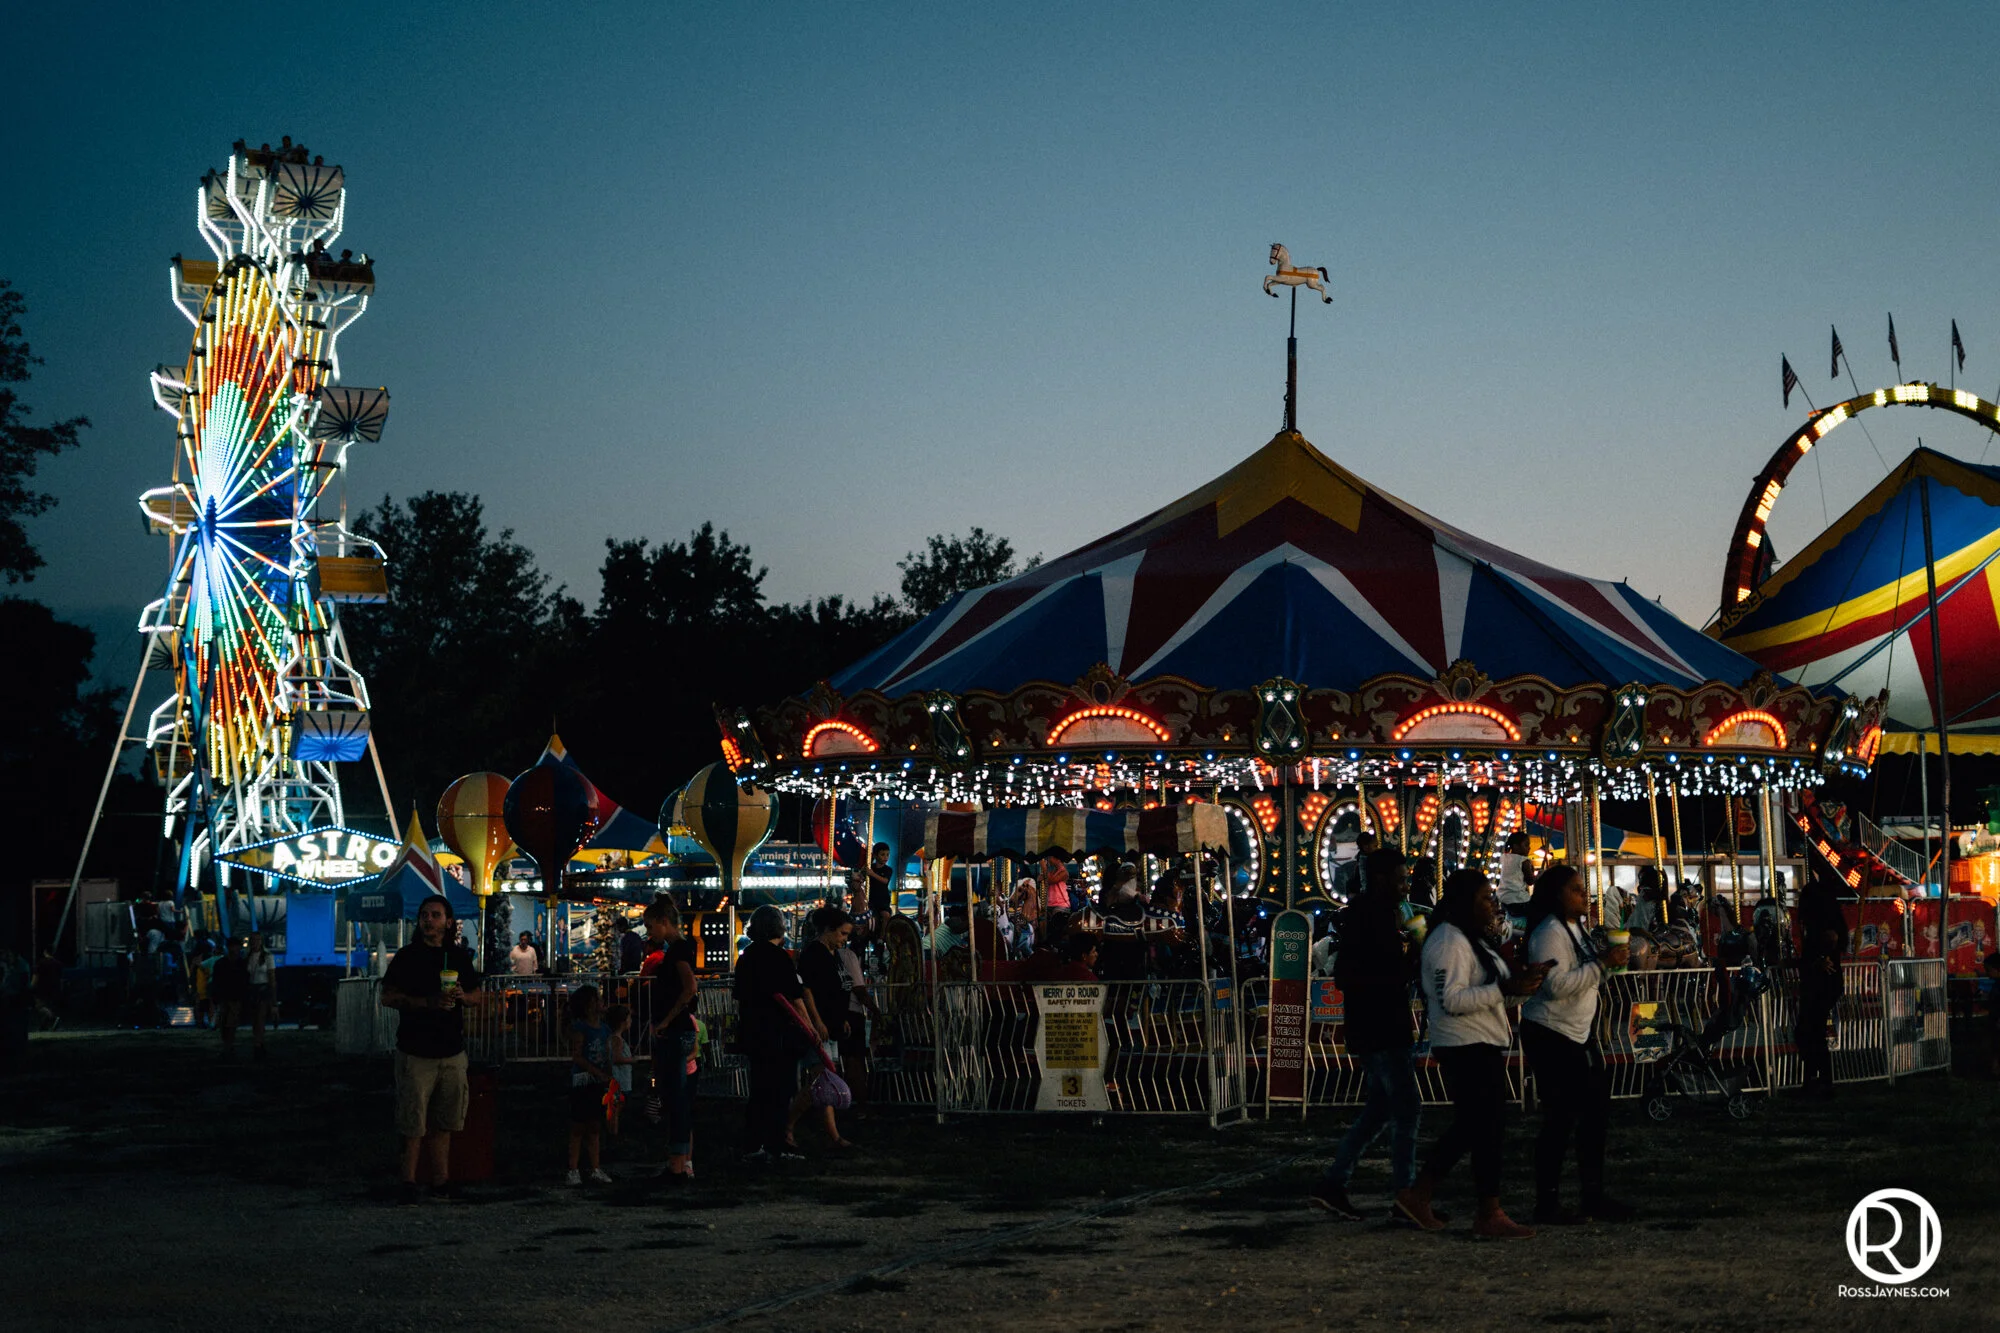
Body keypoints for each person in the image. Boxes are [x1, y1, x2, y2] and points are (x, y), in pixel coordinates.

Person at [1400, 868, 1552, 1239]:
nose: (1493, 905)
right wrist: (1505, 989)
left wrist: (1524, 985)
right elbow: (1450, 999)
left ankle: (1423, 1195)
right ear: (1466, 902)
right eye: (1486, 898)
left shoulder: (1473, 941)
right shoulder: (1448, 942)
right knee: (1483, 1127)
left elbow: (1493, 992)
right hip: (1463, 1044)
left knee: (1477, 1127)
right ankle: (1486, 1210)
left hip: (1481, 1041)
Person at [1311, 848, 1425, 1222]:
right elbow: (1365, 974)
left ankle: (1335, 1182)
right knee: (1407, 1108)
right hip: (1382, 1026)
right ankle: (1405, 1192)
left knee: (1378, 1111)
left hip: (1376, 1024)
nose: (1406, 886)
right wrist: (1411, 957)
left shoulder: (1372, 914)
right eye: (1401, 879)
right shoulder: (1371, 916)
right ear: (1381, 879)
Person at [1519, 864, 1634, 1224]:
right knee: (1561, 1117)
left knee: (1595, 1114)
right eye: (1576, 890)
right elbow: (1554, 986)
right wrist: (1601, 965)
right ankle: (1548, 1201)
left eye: (1584, 889)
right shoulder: (1549, 934)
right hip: (1552, 1033)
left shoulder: (1576, 929)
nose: (1584, 895)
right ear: (1557, 895)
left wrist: (1609, 965)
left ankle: (1592, 1194)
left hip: (1578, 1033)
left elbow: (1583, 976)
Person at [379, 894, 484, 1202]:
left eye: (436, 915)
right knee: (413, 1121)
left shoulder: (458, 957)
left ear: (448, 922)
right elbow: (387, 997)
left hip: (451, 1051)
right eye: (425, 915)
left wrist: (463, 997)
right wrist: (426, 1003)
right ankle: (408, 1182)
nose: (429, 920)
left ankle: (440, 1181)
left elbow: (479, 996)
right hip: (416, 1050)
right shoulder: (407, 957)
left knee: (445, 1121)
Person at [734, 904, 808, 1163]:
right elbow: (795, 997)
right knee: (781, 1090)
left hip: (754, 1030)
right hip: (779, 1032)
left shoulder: (746, 958)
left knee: (759, 1090)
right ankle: (777, 1143)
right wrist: (809, 1027)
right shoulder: (779, 958)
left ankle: (753, 1143)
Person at [643, 898, 700, 1178]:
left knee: (675, 1098)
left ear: (664, 922)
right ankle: (683, 1162)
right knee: (680, 1098)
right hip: (679, 1030)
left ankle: (677, 1164)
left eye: (650, 926)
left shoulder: (677, 951)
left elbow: (689, 987)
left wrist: (665, 1020)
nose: (649, 932)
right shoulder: (681, 948)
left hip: (675, 1031)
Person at [791, 907, 856, 1150]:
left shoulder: (832, 953)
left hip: (831, 1025)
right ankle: (795, 1125)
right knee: (822, 1079)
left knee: (825, 1079)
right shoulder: (814, 954)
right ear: (828, 930)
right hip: (820, 1027)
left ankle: (825, 1132)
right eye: (842, 934)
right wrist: (816, 1021)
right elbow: (806, 991)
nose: (844, 939)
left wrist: (842, 1019)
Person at [1795, 871, 1849, 1099]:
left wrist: (1821, 957)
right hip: (1823, 980)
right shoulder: (1829, 918)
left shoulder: (1821, 926)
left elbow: (1831, 938)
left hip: (1820, 982)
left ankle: (1820, 1080)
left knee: (1810, 1031)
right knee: (1811, 1031)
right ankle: (1816, 1079)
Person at [565, 985, 614, 1185]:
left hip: (596, 1080)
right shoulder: (583, 1028)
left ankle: (594, 1167)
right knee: (579, 1126)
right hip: (584, 1081)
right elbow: (577, 1056)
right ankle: (573, 1169)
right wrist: (599, 1072)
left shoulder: (604, 1028)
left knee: (594, 1125)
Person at [838, 928, 880, 1117]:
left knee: (843, 1060)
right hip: (851, 1012)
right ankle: (861, 1104)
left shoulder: (828, 954)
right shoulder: (848, 956)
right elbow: (859, 989)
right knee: (855, 1061)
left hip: (836, 1012)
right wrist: (874, 1009)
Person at [210, 937, 250, 1057]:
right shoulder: (241, 963)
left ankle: (227, 1045)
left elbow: (216, 981)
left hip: (230, 996)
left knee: (228, 1022)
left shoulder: (222, 963)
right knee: (228, 1023)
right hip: (230, 995)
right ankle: (228, 1045)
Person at [244, 932, 275, 1058]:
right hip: (253, 989)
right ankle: (258, 1043)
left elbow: (272, 977)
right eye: (253, 940)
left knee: (260, 1018)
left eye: (257, 940)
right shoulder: (248, 956)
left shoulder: (267, 957)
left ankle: (258, 1043)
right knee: (255, 1019)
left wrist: (272, 995)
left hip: (262, 989)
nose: (255, 943)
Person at [1334, 832, 1379, 901]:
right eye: (1375, 846)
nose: (1377, 848)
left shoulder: (1364, 858)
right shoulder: (1364, 860)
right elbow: (1363, 876)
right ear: (1366, 847)